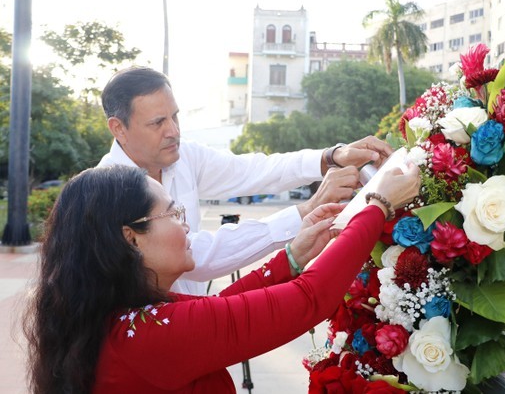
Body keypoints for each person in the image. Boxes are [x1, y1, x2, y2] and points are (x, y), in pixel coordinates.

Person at [24, 164, 420, 393]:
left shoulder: (126, 320)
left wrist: (293, 256)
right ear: (132, 238)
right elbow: (309, 299)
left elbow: (216, 311)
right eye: (173, 214)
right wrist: (378, 204)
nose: (185, 228)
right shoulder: (148, 334)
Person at [97, 66, 394, 295]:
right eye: (158, 123)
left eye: (175, 116)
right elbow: (197, 256)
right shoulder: (109, 193)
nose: (174, 130)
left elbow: (255, 170)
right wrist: (305, 211)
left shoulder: (182, 156)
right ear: (118, 128)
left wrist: (332, 156)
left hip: (194, 319)